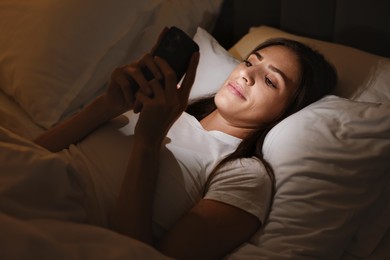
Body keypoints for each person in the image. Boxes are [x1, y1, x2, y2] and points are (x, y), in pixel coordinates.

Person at [34, 29, 337, 259]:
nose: (247, 74)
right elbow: (33, 152)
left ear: (288, 113)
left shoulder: (245, 175)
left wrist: (149, 143)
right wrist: (105, 106)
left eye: (271, 81)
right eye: (250, 62)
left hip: (52, 230)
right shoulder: (164, 107)